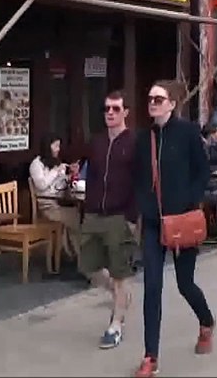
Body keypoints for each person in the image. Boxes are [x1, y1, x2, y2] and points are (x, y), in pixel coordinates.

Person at [132, 80, 215, 378]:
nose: (152, 103)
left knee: (184, 284)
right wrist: (143, 205)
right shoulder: (144, 138)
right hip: (154, 223)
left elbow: (203, 171)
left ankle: (206, 321)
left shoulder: (188, 133)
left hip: (182, 221)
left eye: (158, 98)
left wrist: (190, 203)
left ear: (172, 103)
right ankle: (150, 356)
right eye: (150, 98)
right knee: (152, 287)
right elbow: (138, 176)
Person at [78, 91, 138, 350]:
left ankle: (115, 325)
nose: (110, 113)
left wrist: (132, 219)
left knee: (120, 273)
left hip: (119, 217)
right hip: (94, 213)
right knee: (88, 267)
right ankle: (120, 297)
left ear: (125, 112)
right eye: (106, 109)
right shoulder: (98, 142)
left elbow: (141, 182)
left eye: (115, 109)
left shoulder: (134, 142)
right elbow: (89, 175)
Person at [30, 135, 80, 258]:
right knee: (77, 219)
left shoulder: (56, 162)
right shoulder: (36, 164)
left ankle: (74, 255)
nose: (58, 149)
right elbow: (41, 185)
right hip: (47, 207)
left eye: (59, 146)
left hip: (59, 203)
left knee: (80, 216)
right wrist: (56, 171)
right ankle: (78, 256)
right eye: (56, 146)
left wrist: (70, 176)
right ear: (48, 147)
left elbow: (60, 186)